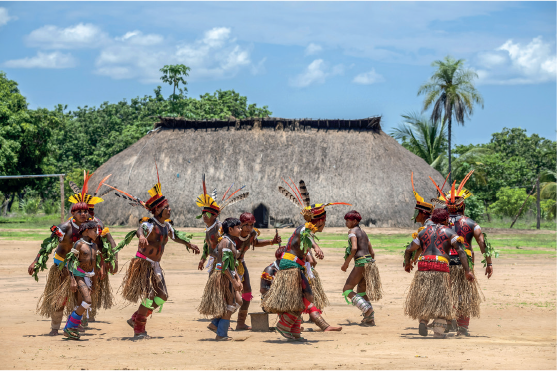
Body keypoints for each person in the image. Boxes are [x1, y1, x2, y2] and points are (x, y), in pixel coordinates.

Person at [104, 164, 200, 338]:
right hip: (143, 264)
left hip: (155, 266)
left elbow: (174, 236)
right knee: (149, 296)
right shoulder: (149, 224)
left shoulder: (167, 226)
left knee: (162, 295)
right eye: (167, 207)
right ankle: (139, 329)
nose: (170, 209)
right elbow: (139, 230)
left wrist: (188, 244)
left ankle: (137, 317)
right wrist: (141, 236)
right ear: (157, 210)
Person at [262, 179, 349, 340]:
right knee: (308, 296)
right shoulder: (305, 229)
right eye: (324, 221)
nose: (324, 224)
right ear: (320, 220)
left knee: (301, 297)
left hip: (294, 265)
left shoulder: (306, 230)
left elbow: (305, 240)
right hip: (290, 265)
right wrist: (316, 248)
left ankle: (294, 332)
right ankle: (284, 325)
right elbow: (306, 235)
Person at [30, 176, 103, 336]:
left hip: (80, 271)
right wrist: (36, 262)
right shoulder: (64, 227)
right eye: (80, 211)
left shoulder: (89, 228)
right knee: (60, 299)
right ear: (73, 213)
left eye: (85, 211)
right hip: (62, 269)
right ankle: (55, 328)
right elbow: (47, 246)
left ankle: (73, 325)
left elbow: (98, 247)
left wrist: (101, 266)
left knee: (80, 299)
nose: (83, 214)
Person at [433, 170, 492, 336]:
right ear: (463, 206)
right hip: (464, 262)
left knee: (445, 293)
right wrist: (489, 263)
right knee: (463, 294)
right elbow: (482, 243)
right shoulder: (472, 223)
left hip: (443, 262)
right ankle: (462, 327)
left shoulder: (439, 223)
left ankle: (445, 323)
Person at [403, 208, 475, 338]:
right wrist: (467, 271)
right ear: (446, 219)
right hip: (440, 265)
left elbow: (409, 249)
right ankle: (438, 332)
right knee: (441, 299)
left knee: (425, 295)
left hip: (423, 264)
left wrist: (407, 263)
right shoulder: (449, 232)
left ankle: (423, 321)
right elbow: (461, 251)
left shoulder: (423, 232)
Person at [232, 212, 281, 330]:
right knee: (228, 293)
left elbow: (255, 243)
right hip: (229, 264)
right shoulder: (233, 234)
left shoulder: (252, 233)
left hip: (241, 263)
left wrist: (271, 241)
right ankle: (222, 321)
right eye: (246, 225)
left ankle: (240, 322)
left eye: (251, 225)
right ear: (241, 224)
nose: (249, 228)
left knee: (247, 291)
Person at [199, 218, 244, 340]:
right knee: (230, 305)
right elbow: (224, 265)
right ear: (230, 229)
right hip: (223, 276)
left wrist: (238, 279)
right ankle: (221, 334)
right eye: (238, 227)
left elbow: (231, 264)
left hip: (228, 275)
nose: (240, 230)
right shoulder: (226, 242)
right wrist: (234, 281)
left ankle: (215, 324)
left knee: (237, 302)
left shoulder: (230, 242)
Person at [59, 221, 101, 340]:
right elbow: (69, 262)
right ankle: (70, 326)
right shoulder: (79, 244)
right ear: (86, 231)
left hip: (89, 276)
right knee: (87, 301)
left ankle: (71, 327)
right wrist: (72, 279)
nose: (97, 233)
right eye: (94, 230)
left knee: (85, 302)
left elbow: (93, 265)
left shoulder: (94, 246)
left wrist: (94, 283)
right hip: (79, 276)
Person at [341, 210, 382, 326]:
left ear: (354, 221)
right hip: (369, 262)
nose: (346, 223)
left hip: (361, 262)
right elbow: (372, 252)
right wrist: (369, 265)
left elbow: (354, 249)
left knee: (347, 289)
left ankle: (368, 311)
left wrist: (346, 264)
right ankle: (370, 319)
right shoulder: (364, 233)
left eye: (347, 221)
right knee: (361, 291)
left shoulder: (352, 231)